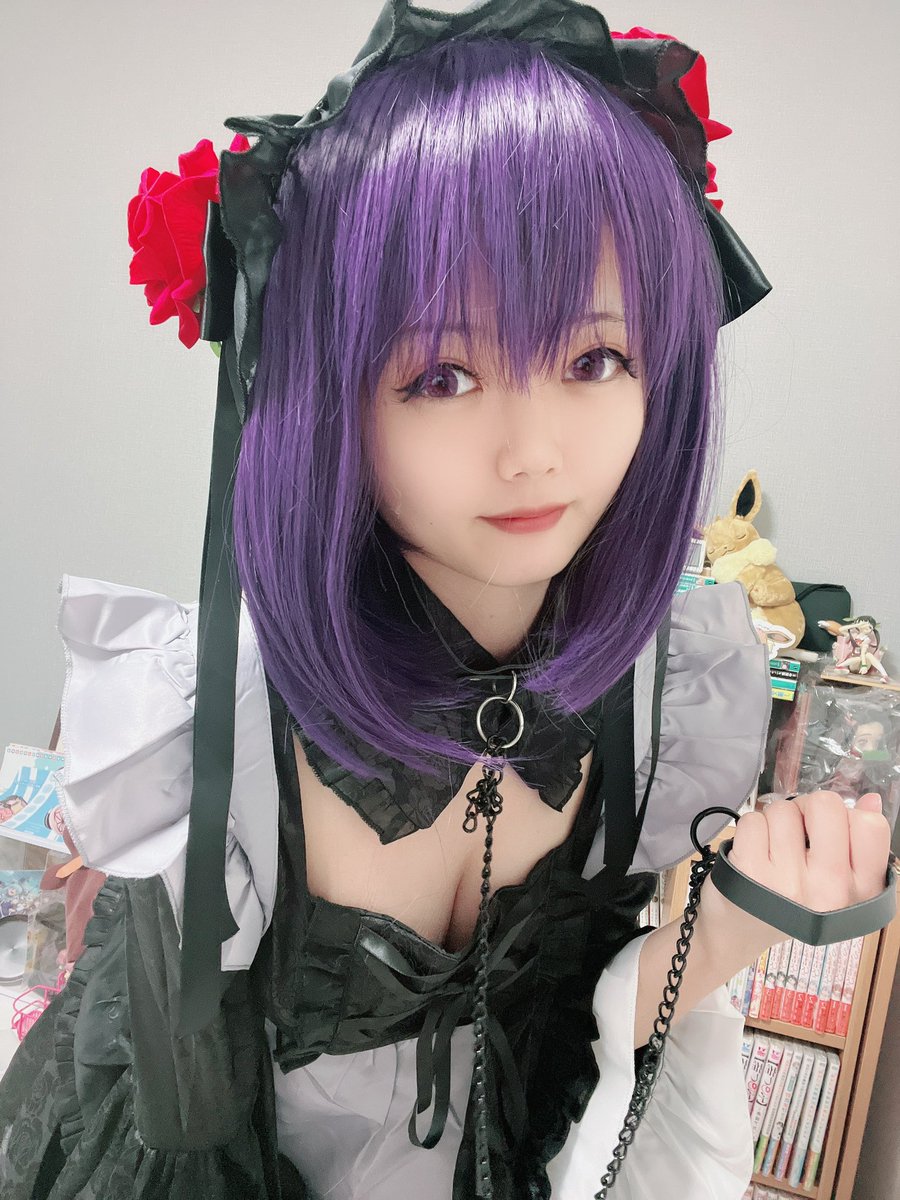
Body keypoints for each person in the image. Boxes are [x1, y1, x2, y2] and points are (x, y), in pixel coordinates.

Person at [0, 4, 892, 1199]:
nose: (534, 452)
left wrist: (733, 928)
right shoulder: (226, 723)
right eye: (442, 374)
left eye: (595, 360)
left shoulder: (664, 686)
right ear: (328, 393)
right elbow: (163, 1134)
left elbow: (568, 1055)